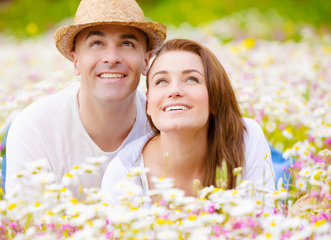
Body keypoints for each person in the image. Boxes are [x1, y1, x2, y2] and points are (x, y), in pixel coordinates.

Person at [5, 0, 166, 199]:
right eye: (96, 43)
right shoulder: (34, 128)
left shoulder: (164, 124)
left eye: (127, 44)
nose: (112, 58)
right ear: (76, 61)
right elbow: (28, 224)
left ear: (146, 61)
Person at [102, 39, 276, 207]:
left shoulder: (245, 137)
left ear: (215, 98)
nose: (174, 91)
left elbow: (262, 222)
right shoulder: (124, 175)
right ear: (148, 103)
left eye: (191, 79)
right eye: (161, 81)